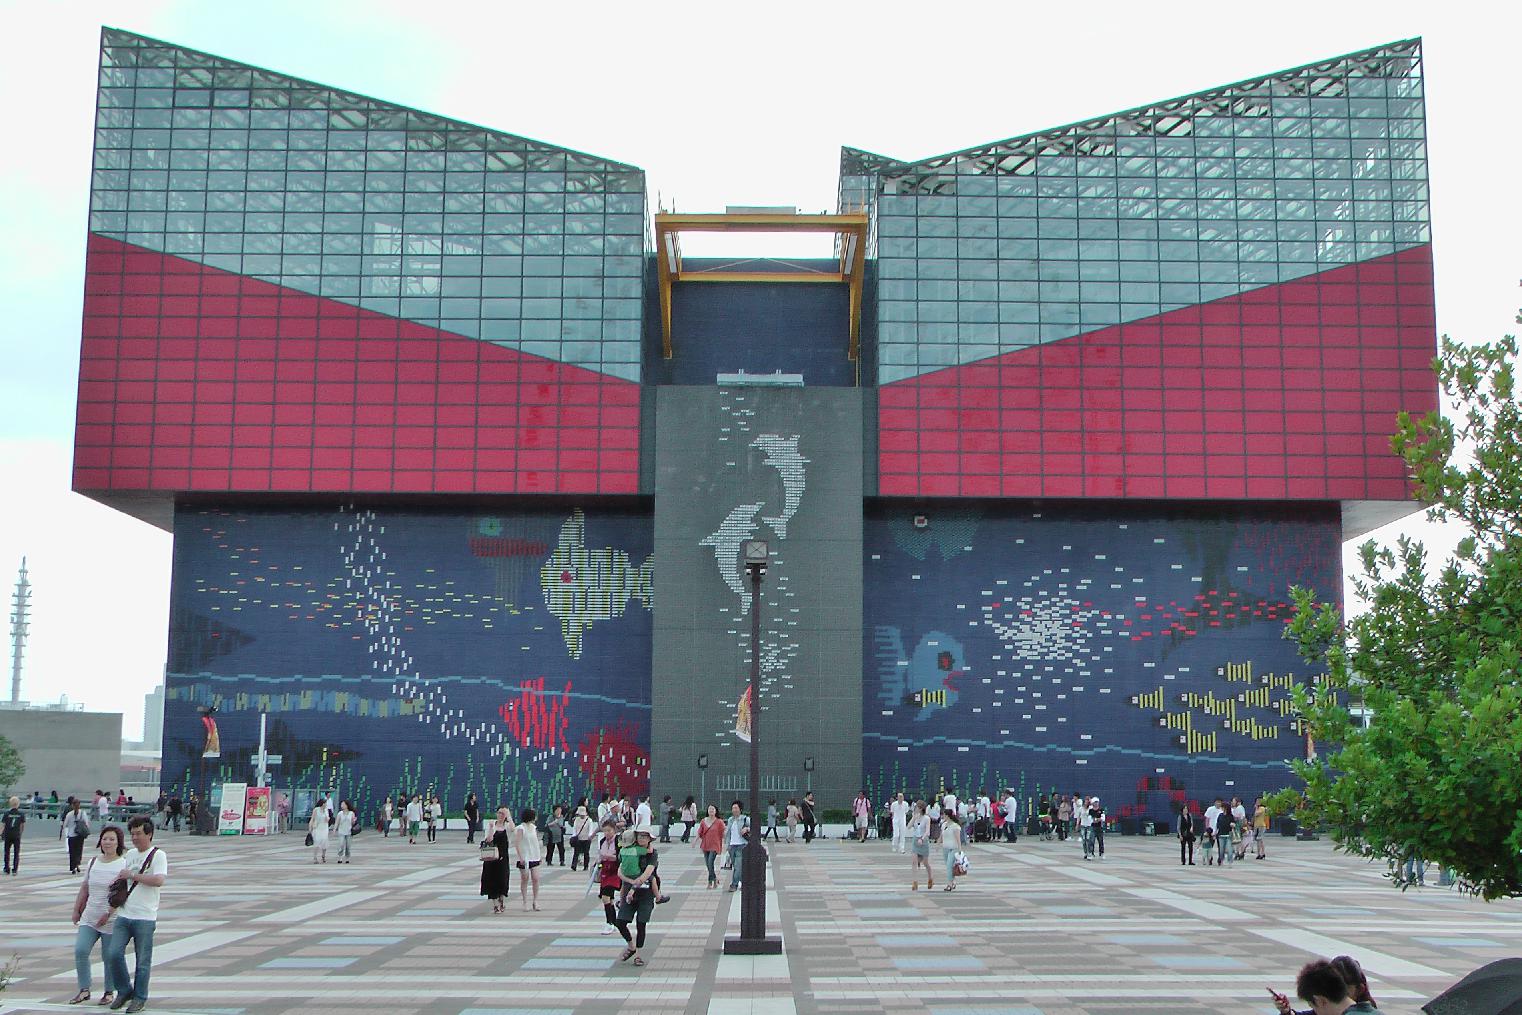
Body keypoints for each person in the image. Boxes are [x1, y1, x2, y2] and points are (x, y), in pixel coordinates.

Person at [104, 816, 167, 1013]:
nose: (135, 837)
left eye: (139, 833)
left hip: (145, 917)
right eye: (132, 834)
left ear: (149, 834)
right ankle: (124, 990)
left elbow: (158, 880)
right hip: (125, 913)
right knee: (113, 954)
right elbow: (124, 878)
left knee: (142, 961)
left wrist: (132, 875)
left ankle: (139, 997)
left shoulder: (158, 855)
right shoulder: (130, 854)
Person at [68, 824, 127, 1006]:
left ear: (118, 843)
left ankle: (109, 991)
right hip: (90, 916)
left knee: (108, 956)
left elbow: (123, 893)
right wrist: (77, 909)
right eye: (105, 839)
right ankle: (84, 989)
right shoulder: (93, 862)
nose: (107, 842)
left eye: (112, 839)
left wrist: (109, 912)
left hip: (111, 918)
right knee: (81, 950)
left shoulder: (123, 864)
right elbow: (85, 888)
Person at [614, 826, 659, 967]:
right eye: (639, 836)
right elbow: (620, 871)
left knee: (641, 923)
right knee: (620, 922)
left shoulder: (652, 853)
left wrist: (636, 883)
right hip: (628, 891)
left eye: (645, 837)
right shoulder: (628, 850)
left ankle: (638, 955)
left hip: (645, 892)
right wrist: (630, 883)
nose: (641, 839)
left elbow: (648, 873)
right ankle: (631, 946)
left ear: (650, 839)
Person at [479, 807, 512, 914]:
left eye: (503, 813)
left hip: (503, 858)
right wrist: (491, 829)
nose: (501, 815)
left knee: (502, 879)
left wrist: (509, 816)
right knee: (491, 880)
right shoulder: (492, 824)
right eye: (499, 813)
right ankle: (495, 905)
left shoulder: (506, 826)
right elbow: (488, 840)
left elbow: (513, 829)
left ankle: (501, 898)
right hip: (491, 857)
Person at [513, 807, 543, 911]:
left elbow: (535, 843)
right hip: (524, 857)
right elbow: (517, 843)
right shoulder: (521, 828)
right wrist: (520, 857)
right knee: (525, 879)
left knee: (536, 878)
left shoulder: (533, 827)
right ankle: (525, 902)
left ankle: (535, 901)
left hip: (534, 856)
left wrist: (540, 856)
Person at [596, 817, 622, 934]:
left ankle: (609, 923)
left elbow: (621, 858)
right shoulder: (602, 841)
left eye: (609, 830)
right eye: (605, 830)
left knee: (606, 897)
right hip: (605, 871)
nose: (607, 833)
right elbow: (599, 855)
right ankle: (614, 922)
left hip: (615, 871)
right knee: (608, 899)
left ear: (614, 830)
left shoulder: (618, 841)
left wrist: (610, 857)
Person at [697, 804, 724, 888]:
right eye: (709, 809)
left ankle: (709, 882)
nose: (711, 811)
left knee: (710, 862)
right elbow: (700, 832)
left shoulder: (719, 822)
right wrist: (695, 841)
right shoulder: (703, 821)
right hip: (705, 845)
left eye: (713, 809)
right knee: (708, 864)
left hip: (715, 845)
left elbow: (723, 833)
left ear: (716, 811)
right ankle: (715, 879)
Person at [909, 800, 933, 891]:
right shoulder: (915, 817)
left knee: (925, 862)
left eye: (917, 807)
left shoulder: (927, 818)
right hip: (915, 840)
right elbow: (908, 826)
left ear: (921, 808)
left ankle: (930, 878)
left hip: (923, 841)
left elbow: (927, 831)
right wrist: (913, 818)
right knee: (914, 862)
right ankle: (915, 882)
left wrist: (922, 838)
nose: (916, 809)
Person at [725, 800, 749, 891]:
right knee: (736, 866)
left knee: (738, 866)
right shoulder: (730, 820)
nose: (734, 810)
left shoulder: (745, 819)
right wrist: (727, 845)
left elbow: (755, 828)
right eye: (733, 808)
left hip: (742, 845)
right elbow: (728, 833)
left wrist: (747, 828)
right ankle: (745, 883)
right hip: (732, 846)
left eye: (736, 808)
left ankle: (734, 885)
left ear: (740, 809)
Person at [63, 797, 90, 874]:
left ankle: (73, 867)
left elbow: (65, 824)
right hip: (80, 835)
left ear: (72, 805)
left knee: (72, 852)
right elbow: (86, 823)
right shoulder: (82, 813)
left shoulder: (69, 814)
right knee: (79, 851)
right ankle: (77, 864)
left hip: (71, 835)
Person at [940, 808, 964, 891]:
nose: (943, 816)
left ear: (948, 816)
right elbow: (942, 835)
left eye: (944, 815)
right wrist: (938, 843)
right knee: (949, 866)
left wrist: (960, 849)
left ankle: (949, 884)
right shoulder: (944, 825)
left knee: (949, 865)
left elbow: (958, 839)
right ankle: (953, 881)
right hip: (945, 847)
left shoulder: (955, 826)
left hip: (954, 848)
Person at [2, 795, 24, 875]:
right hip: (16, 835)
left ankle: (7, 868)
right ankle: (15, 869)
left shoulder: (7, 814)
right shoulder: (21, 814)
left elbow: (3, 825)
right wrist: (20, 833)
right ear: (18, 804)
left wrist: (1, 834)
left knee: (6, 852)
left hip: (8, 835)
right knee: (16, 852)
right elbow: (22, 826)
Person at [569, 805, 595, 871]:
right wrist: (574, 836)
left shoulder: (589, 820)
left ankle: (586, 866)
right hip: (578, 839)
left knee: (586, 852)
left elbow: (590, 829)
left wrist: (590, 836)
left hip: (586, 839)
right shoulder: (576, 820)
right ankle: (574, 865)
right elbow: (574, 829)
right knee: (576, 852)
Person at [308, 797, 330, 864]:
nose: (326, 804)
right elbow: (312, 818)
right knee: (317, 842)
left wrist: (326, 815)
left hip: (324, 827)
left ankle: (323, 856)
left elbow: (327, 819)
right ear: (322, 803)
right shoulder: (316, 810)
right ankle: (315, 857)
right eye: (325, 803)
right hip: (317, 827)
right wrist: (310, 827)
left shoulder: (326, 810)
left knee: (324, 841)